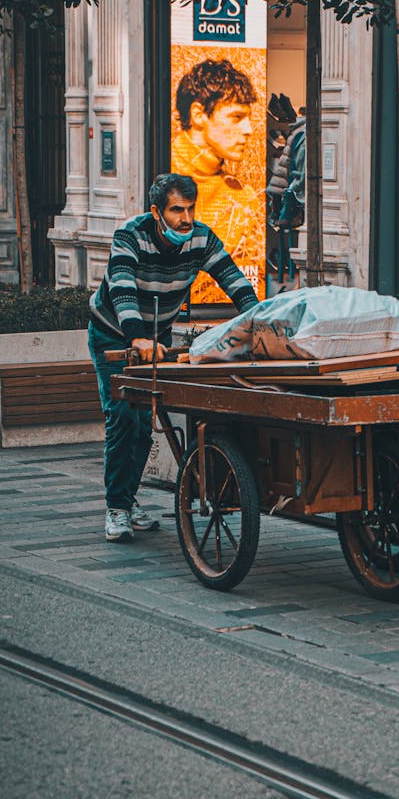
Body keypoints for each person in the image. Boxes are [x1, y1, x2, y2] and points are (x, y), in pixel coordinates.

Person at [88, 172, 258, 543]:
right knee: (122, 418)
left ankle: (129, 502)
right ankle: (116, 507)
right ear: (156, 211)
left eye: (190, 208)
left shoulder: (200, 238)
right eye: (177, 210)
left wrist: (259, 319)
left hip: (156, 337)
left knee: (145, 423)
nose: (186, 217)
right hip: (114, 335)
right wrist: (135, 336)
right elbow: (121, 286)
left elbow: (233, 278)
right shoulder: (130, 236)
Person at [171, 58, 263, 270]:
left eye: (248, 118)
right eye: (236, 117)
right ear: (198, 114)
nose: (248, 129)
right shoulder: (161, 176)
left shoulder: (245, 198)